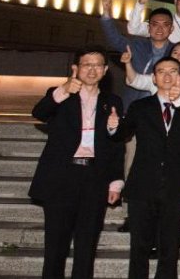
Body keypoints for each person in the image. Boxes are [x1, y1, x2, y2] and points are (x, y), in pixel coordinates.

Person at [32, 50, 125, 279]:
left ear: (105, 71)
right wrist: (63, 90)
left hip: (94, 177)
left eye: (97, 65)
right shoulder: (61, 94)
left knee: (86, 246)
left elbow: (115, 145)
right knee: (55, 245)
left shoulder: (112, 102)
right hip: (62, 177)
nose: (91, 69)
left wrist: (115, 181)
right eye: (86, 64)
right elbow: (39, 113)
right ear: (77, 67)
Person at [114, 56, 180, 279]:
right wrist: (113, 127)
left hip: (176, 187)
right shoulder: (140, 107)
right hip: (143, 185)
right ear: (154, 77)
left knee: (170, 248)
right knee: (139, 247)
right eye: (161, 71)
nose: (168, 75)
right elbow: (124, 133)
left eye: (173, 71)